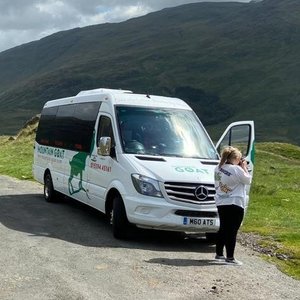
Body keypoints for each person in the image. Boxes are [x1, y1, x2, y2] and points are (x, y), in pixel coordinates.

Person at [214, 146, 252, 266]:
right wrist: (244, 167)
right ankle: (230, 257)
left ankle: (219, 254)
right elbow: (248, 180)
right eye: (240, 158)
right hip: (235, 202)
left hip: (221, 201)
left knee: (223, 228)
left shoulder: (218, 168)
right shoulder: (236, 169)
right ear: (235, 158)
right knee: (232, 230)